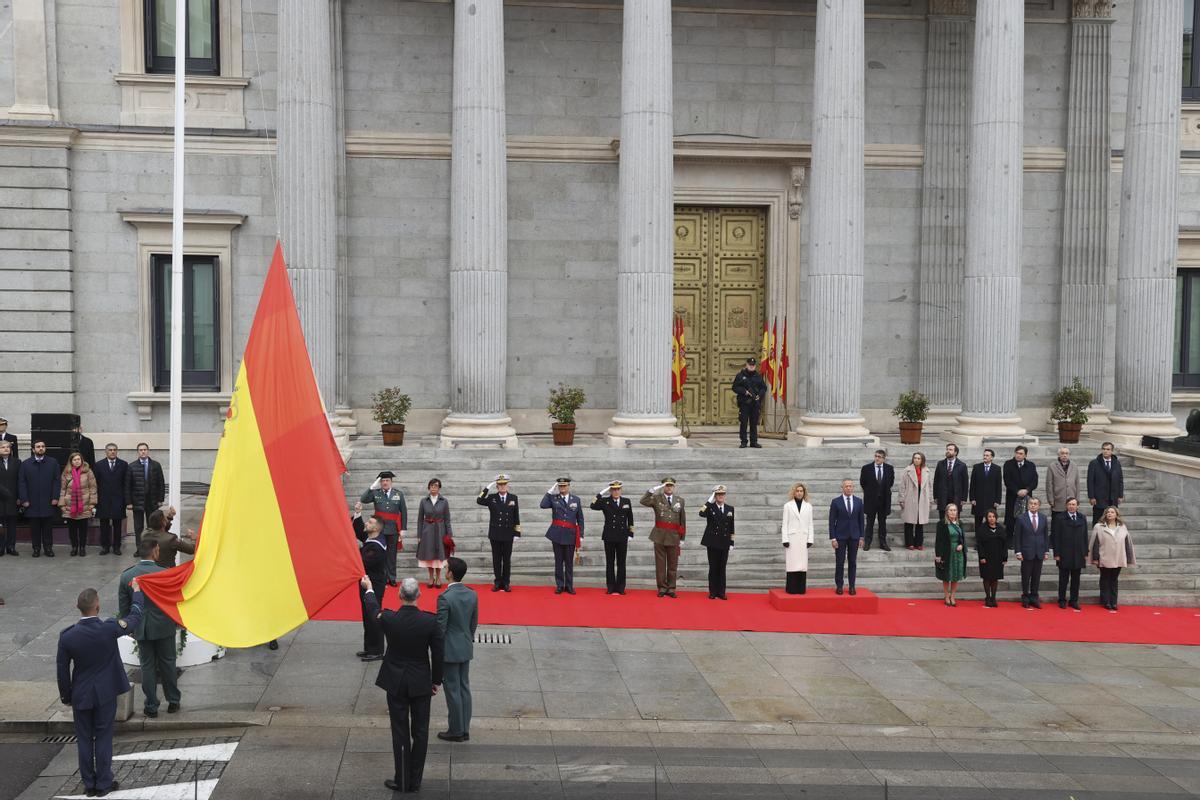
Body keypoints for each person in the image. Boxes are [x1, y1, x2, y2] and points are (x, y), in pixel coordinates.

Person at [57, 581, 144, 798]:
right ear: (97, 607)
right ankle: (104, 782)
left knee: (84, 740)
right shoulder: (108, 628)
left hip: (81, 695)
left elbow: (62, 670)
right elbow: (134, 618)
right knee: (103, 737)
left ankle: (89, 784)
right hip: (105, 693)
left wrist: (66, 696)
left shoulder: (67, 636)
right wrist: (137, 593)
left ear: (77, 606)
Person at [364, 576, 443, 794]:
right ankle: (415, 780)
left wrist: (370, 589)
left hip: (396, 681)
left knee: (400, 732)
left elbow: (373, 613)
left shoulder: (389, 618)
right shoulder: (430, 622)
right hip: (420, 681)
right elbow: (438, 653)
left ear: (400, 595)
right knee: (421, 731)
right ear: (419, 595)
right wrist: (436, 680)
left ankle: (402, 779)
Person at [119, 539, 181, 717]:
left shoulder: (127, 576)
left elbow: (124, 606)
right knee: (168, 663)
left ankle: (151, 706)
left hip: (141, 627)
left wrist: (129, 626)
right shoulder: (165, 573)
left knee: (147, 666)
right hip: (164, 625)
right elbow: (174, 600)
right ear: (154, 551)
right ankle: (173, 701)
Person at [436, 557, 478, 743]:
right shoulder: (472, 594)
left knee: (452, 689)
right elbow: (473, 624)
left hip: (450, 649)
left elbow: (440, 629)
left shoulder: (445, 598)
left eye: (446, 568)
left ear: (451, 573)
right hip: (465, 645)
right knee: (464, 688)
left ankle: (456, 730)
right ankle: (465, 728)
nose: (444, 570)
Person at [360, 471, 407, 586]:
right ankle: (382, 577)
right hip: (378, 530)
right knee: (379, 553)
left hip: (393, 529)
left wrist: (403, 529)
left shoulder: (398, 494)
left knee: (391, 555)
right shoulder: (376, 493)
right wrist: (372, 487)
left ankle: (391, 578)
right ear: (380, 482)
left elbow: (404, 512)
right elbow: (363, 499)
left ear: (391, 482)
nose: (385, 483)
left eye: (387, 480)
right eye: (383, 481)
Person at [641, 478, 685, 598]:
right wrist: (651, 491)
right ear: (663, 487)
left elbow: (682, 520)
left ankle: (671, 588)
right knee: (660, 564)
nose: (669, 487)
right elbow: (643, 501)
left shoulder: (680, 500)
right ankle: (662, 587)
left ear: (674, 487)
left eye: (671, 485)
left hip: (674, 536)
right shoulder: (656, 499)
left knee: (672, 565)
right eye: (666, 485)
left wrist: (682, 538)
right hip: (659, 535)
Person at [353, 513, 388, 661]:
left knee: (373, 616)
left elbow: (364, 561)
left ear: (376, 528)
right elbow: (358, 530)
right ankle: (369, 648)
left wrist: (355, 550)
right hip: (367, 581)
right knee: (367, 616)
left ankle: (377, 650)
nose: (366, 523)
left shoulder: (377, 546)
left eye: (369, 522)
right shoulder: (372, 538)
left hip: (374, 584)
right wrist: (357, 513)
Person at [541, 477, 584, 595]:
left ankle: (569, 586)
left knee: (569, 562)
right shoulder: (553, 498)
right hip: (557, 535)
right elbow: (543, 505)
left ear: (568, 486)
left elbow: (580, 518)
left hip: (570, 535)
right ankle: (560, 585)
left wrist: (581, 534)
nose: (562, 488)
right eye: (560, 486)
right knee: (558, 562)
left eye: (564, 486)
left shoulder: (576, 499)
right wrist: (550, 491)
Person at [477, 474, 520, 592]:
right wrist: (487, 488)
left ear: (507, 485)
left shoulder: (513, 498)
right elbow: (479, 500)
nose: (502, 486)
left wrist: (517, 533)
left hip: (508, 533)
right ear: (497, 486)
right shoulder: (492, 497)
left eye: (504, 484)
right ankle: (497, 582)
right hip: (495, 533)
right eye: (500, 485)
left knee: (506, 560)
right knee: (496, 559)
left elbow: (516, 516)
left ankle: (506, 583)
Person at [590, 480, 634, 595]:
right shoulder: (605, 501)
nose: (616, 491)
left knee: (621, 563)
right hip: (609, 535)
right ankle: (610, 586)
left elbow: (630, 518)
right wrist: (600, 493)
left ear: (621, 490)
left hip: (622, 535)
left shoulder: (626, 501)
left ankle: (620, 587)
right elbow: (592, 505)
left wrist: (630, 533)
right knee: (610, 562)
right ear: (610, 490)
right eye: (613, 489)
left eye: (618, 489)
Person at [19, 440, 60, 557]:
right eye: (38, 447)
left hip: (48, 501)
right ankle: (36, 548)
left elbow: (57, 482)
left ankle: (48, 548)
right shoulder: (25, 464)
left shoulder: (53, 463)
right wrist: (24, 499)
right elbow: (22, 483)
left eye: (43, 446)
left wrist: (55, 497)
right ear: (33, 450)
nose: (41, 448)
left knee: (48, 527)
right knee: (35, 528)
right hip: (31, 502)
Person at [1090, 505, 1136, 611]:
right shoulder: (1099, 527)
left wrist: (1128, 558)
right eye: (1108, 512)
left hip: (1118, 557)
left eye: (1112, 512)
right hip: (1104, 557)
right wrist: (1096, 558)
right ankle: (1105, 601)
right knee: (1105, 579)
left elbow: (1127, 543)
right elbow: (1095, 543)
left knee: (1114, 580)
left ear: (1116, 515)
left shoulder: (1122, 527)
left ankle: (1113, 602)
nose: (1110, 514)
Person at [123, 443, 165, 546]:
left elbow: (161, 483)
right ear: (138, 452)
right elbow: (127, 486)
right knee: (138, 526)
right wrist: (128, 502)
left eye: (145, 449)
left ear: (148, 451)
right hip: (137, 501)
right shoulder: (132, 466)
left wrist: (160, 499)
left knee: (153, 525)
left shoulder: (156, 465)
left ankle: (152, 547)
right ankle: (139, 547)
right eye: (141, 450)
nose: (143, 451)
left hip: (152, 500)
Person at [829, 478, 865, 595]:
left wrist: (861, 537)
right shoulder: (836, 502)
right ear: (842, 488)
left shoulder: (859, 501)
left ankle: (852, 586)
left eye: (850, 486)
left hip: (854, 536)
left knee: (852, 562)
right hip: (840, 536)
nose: (849, 488)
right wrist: (833, 538)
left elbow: (861, 521)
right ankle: (839, 586)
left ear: (853, 487)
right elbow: (831, 521)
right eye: (846, 486)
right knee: (840, 562)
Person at [699, 485, 735, 600]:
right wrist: (709, 500)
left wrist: (731, 542)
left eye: (722, 494)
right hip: (713, 542)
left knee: (722, 568)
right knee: (713, 567)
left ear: (725, 496)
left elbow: (731, 526)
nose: (721, 496)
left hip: (724, 542)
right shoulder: (710, 507)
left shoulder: (730, 508)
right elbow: (701, 513)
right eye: (718, 494)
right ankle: (713, 591)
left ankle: (722, 592)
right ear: (715, 496)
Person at [1052, 497, 1089, 610]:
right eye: (1069, 504)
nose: (1071, 506)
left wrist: (1085, 552)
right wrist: (1056, 553)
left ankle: (1074, 600)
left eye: (1074, 504)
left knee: (1076, 579)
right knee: (1063, 578)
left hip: (1078, 553)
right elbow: (1056, 536)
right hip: (1064, 553)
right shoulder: (1060, 518)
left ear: (1077, 506)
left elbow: (1085, 536)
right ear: (1066, 505)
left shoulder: (1082, 518)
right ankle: (1062, 600)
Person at [1014, 496, 1050, 609]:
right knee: (1026, 576)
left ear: (1039, 506)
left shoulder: (1043, 518)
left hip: (1039, 551)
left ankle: (1034, 597)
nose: (1033, 505)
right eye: (1031, 503)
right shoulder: (1021, 518)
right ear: (1028, 505)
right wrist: (1018, 551)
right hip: (1026, 551)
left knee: (1036, 576)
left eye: (1035, 504)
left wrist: (1046, 550)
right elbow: (1017, 537)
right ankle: (1025, 597)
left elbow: (1045, 536)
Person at [59, 452, 97, 557]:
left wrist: (92, 503)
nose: (77, 461)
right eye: (74, 460)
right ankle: (74, 547)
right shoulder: (66, 473)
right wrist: (62, 504)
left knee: (83, 529)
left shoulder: (88, 472)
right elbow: (62, 489)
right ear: (71, 461)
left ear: (82, 460)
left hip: (84, 505)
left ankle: (82, 547)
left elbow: (93, 488)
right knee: (72, 529)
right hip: (69, 505)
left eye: (79, 459)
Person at [416, 478, 451, 588]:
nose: (433, 488)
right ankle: (431, 577)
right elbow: (420, 519)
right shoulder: (423, 501)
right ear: (429, 488)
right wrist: (419, 535)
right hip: (427, 531)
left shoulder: (444, 501)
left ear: (439, 488)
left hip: (441, 531)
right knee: (429, 555)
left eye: (436, 486)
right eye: (431, 486)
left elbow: (447, 519)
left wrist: (449, 534)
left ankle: (439, 577)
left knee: (439, 554)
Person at [94, 444, 128, 555]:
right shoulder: (99, 465)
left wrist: (126, 501)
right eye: (110, 450)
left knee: (117, 525)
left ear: (117, 451)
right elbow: (96, 484)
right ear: (106, 451)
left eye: (114, 450)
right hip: (103, 499)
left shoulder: (123, 464)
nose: (112, 452)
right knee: (104, 525)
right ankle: (105, 546)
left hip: (118, 500)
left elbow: (126, 484)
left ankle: (117, 547)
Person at [781, 482, 814, 594]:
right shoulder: (788, 506)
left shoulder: (808, 506)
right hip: (792, 539)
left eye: (801, 491)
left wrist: (810, 539)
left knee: (802, 564)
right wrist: (785, 539)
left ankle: (800, 588)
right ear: (794, 492)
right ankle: (791, 588)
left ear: (804, 493)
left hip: (803, 538)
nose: (799, 493)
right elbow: (785, 523)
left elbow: (810, 524)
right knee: (792, 563)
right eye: (797, 491)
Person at [859, 449, 894, 551]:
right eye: (876, 456)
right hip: (871, 500)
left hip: (884, 501)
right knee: (869, 522)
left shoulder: (889, 468)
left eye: (879, 457)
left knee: (882, 523)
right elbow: (863, 483)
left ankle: (883, 542)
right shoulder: (866, 468)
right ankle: (867, 542)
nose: (877, 458)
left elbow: (890, 483)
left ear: (884, 458)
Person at [1003, 445, 1038, 546]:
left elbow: (1034, 480)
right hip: (1013, 496)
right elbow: (1007, 480)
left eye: (1021, 454)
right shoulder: (1008, 464)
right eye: (1017, 453)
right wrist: (1017, 490)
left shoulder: (1031, 465)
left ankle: (1024, 540)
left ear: (1025, 455)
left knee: (1026, 518)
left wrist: (1027, 490)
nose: (1018, 455)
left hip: (1026, 496)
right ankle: (1009, 540)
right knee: (1011, 518)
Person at [934, 502, 967, 606]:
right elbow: (938, 540)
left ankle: (953, 595)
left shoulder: (959, 523)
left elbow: (963, 538)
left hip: (958, 553)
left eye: (955, 510)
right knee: (946, 575)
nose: (953, 512)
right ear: (947, 512)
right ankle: (946, 595)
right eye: (951, 510)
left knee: (955, 575)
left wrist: (961, 545)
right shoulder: (941, 524)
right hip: (946, 552)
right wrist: (938, 555)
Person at [898, 452, 933, 550]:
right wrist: (901, 499)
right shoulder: (907, 470)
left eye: (918, 458)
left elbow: (930, 486)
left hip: (922, 497)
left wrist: (930, 499)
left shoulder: (927, 471)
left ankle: (919, 543)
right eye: (915, 458)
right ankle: (909, 543)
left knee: (920, 522)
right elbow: (902, 485)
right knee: (909, 522)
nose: (916, 460)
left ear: (922, 460)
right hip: (910, 497)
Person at [731, 357, 768, 448]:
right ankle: (743, 441)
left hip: (755, 404)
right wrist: (744, 391)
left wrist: (760, 394)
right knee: (743, 423)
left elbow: (764, 387)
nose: (751, 366)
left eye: (753, 365)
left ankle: (754, 441)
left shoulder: (758, 376)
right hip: (744, 403)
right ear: (746, 365)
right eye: (750, 365)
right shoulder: (740, 375)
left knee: (753, 423)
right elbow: (734, 387)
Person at [1086, 442, 1125, 527]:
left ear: (1112, 451)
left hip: (1112, 497)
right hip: (1099, 497)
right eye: (1104, 449)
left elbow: (1120, 480)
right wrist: (1091, 496)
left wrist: (1120, 495)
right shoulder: (1094, 463)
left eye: (1108, 449)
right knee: (1098, 520)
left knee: (1111, 520)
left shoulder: (1116, 463)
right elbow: (1090, 481)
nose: (1105, 451)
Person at [975, 508, 1006, 607]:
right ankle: (987, 597)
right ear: (986, 518)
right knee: (987, 577)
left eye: (993, 516)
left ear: (996, 517)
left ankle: (993, 598)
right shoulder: (982, 529)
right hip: (986, 557)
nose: (991, 518)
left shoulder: (1001, 528)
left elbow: (1005, 544)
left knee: (995, 578)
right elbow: (979, 544)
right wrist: (982, 556)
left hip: (998, 557)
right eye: (989, 517)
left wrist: (1005, 557)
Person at [969, 448, 1003, 533]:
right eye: (984, 455)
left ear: (992, 457)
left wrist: (997, 500)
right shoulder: (977, 467)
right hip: (978, 499)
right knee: (978, 522)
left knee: (990, 520)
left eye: (987, 455)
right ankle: (978, 541)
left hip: (991, 500)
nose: (985, 457)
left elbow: (998, 486)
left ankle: (989, 539)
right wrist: (972, 498)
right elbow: (972, 484)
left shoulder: (997, 468)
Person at [933, 443, 968, 521]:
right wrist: (935, 496)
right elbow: (936, 481)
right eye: (947, 449)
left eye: (950, 450)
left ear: (955, 452)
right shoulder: (940, 464)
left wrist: (964, 498)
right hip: (943, 496)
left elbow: (965, 483)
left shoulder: (962, 465)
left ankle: (954, 533)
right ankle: (943, 533)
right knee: (942, 519)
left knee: (955, 518)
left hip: (956, 496)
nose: (948, 451)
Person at [1045, 447, 1079, 516]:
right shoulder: (1052, 466)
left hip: (1071, 499)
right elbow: (1049, 484)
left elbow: (1077, 483)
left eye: (1066, 453)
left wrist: (1077, 499)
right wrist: (1051, 500)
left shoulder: (1074, 466)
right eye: (1062, 453)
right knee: (1057, 522)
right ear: (1058, 454)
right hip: (1058, 499)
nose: (1064, 455)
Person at [0, 441, 19, 556]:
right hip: (0, 498)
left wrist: (20, 497)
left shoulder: (17, 462)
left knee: (12, 525)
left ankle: (11, 547)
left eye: (8, 447)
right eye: (3, 447)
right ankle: (1, 547)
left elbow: (20, 480)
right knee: (0, 525)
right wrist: (5, 492)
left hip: (13, 498)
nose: (6, 449)